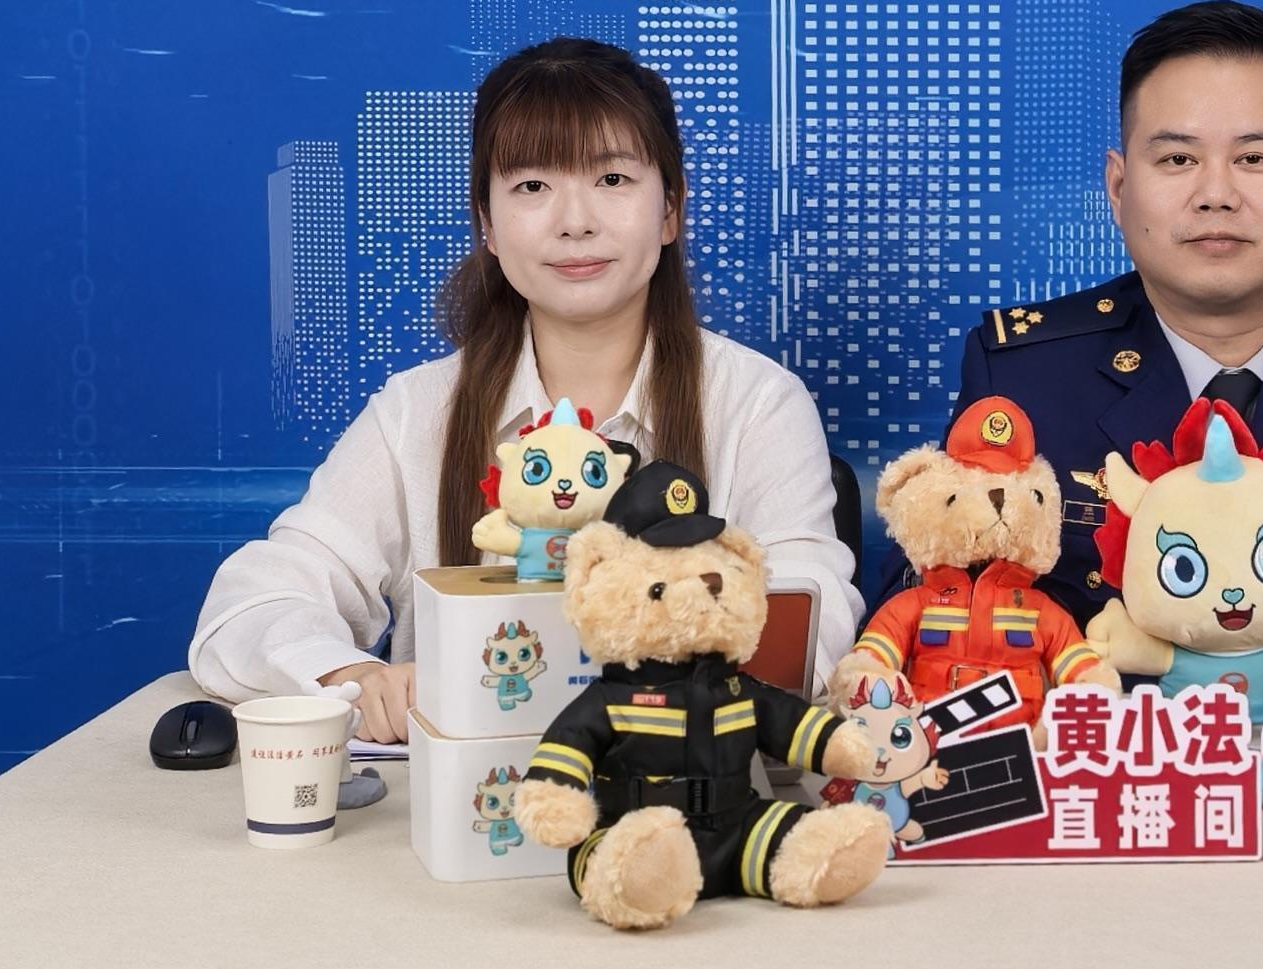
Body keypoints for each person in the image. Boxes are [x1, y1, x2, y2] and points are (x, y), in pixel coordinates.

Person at [189, 38, 861, 740]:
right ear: (486, 222)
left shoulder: (756, 404)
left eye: (612, 178)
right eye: (532, 186)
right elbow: (252, 604)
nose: (575, 221)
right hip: (468, 800)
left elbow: (812, 617)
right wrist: (345, 675)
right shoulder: (416, 413)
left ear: (670, 208)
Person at [888, 0, 1263, 693]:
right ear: (1119, 188)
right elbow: (935, 620)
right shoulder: (1025, 375)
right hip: (1102, 756)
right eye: (1178, 158)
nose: (1216, 193)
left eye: (1254, 157)